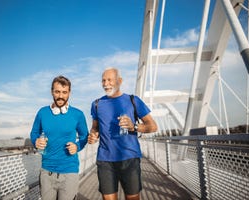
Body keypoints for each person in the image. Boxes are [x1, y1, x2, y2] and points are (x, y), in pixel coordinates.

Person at [88, 67, 157, 200]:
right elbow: (94, 128)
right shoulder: (96, 104)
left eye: (109, 80)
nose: (105, 84)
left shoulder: (133, 100)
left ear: (119, 81)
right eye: (103, 80)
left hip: (130, 158)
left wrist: (134, 126)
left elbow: (152, 126)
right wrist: (93, 135)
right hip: (105, 160)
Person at [30, 75, 88, 200]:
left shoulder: (78, 114)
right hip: (46, 172)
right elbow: (34, 133)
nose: (61, 96)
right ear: (52, 92)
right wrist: (36, 141)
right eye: (57, 92)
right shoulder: (42, 113)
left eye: (64, 92)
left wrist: (77, 146)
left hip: (69, 172)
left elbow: (85, 136)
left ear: (69, 93)